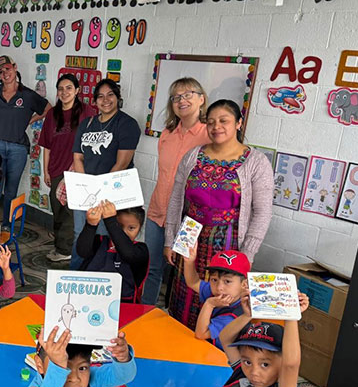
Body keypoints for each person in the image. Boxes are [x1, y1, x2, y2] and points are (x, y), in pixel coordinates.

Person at [164, 99, 273, 329]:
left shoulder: (255, 162)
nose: (217, 127)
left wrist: (247, 255)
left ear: (239, 124)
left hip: (228, 243)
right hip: (190, 237)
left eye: (224, 121)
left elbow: (262, 213)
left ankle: (211, 355)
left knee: (222, 298)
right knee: (185, 295)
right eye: (211, 122)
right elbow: (175, 199)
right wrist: (170, 239)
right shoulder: (193, 156)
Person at [143, 78, 209, 306]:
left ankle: (174, 318)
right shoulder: (167, 134)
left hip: (187, 218)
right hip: (157, 211)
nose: (181, 100)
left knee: (182, 273)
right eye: (176, 97)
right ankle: (146, 313)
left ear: (201, 99)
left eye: (188, 94)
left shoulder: (209, 136)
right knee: (151, 269)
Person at [70, 79, 141, 270]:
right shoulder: (87, 124)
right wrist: (85, 190)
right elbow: (78, 158)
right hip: (86, 193)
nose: (106, 100)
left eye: (110, 95)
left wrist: (99, 194)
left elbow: (122, 163)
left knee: (103, 236)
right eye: (100, 96)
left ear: (118, 98)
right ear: (95, 101)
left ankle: (99, 276)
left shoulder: (127, 124)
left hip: (111, 194)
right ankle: (75, 276)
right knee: (81, 234)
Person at [0, 55, 51, 223]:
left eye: (7, 69)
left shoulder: (28, 95)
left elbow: (48, 109)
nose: (5, 73)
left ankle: (8, 225)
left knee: (11, 190)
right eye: (1, 72)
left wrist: (31, 120)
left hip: (18, 148)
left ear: (15, 67)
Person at [39, 73, 95, 263]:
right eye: (61, 89)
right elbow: (46, 146)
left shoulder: (88, 112)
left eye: (69, 88)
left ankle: (66, 249)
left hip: (76, 171)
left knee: (71, 212)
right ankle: (61, 245)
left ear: (77, 90)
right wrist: (45, 171)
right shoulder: (52, 114)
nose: (64, 92)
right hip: (56, 169)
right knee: (58, 210)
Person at [76, 201, 148, 303]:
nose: (124, 233)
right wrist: (91, 225)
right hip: (91, 302)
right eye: (119, 227)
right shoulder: (99, 242)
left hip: (124, 305)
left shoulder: (141, 250)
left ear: (140, 228)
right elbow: (82, 252)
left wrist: (111, 221)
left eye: (131, 228)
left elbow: (127, 253)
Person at [183, 247, 250, 349]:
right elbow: (193, 282)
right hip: (210, 349)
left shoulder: (236, 314)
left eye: (227, 281)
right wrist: (189, 262)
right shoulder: (219, 294)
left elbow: (201, 334)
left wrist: (209, 304)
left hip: (224, 359)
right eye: (214, 280)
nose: (219, 287)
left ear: (244, 284)